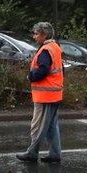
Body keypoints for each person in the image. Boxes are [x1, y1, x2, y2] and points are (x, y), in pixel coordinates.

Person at [16, 22, 64, 163]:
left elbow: (43, 70)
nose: (34, 36)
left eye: (37, 33)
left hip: (45, 96)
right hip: (54, 93)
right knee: (51, 127)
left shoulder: (45, 50)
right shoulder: (54, 47)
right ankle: (55, 154)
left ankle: (32, 153)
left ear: (45, 35)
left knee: (38, 126)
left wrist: (31, 76)